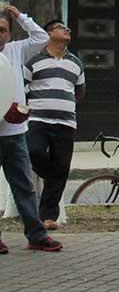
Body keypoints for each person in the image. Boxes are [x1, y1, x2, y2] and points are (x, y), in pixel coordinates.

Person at [0, 5, 62, 253]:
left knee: (25, 186)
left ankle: (36, 235)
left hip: (14, 135)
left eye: (3, 30)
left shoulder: (15, 50)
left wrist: (19, 16)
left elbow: (41, 38)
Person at [24, 20, 85, 230]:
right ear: (49, 33)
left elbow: (79, 91)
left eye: (68, 28)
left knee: (62, 165)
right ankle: (53, 176)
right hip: (38, 121)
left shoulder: (76, 63)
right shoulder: (33, 62)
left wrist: (62, 105)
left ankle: (48, 217)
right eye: (61, 27)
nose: (67, 29)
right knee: (35, 152)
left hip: (66, 123)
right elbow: (23, 90)